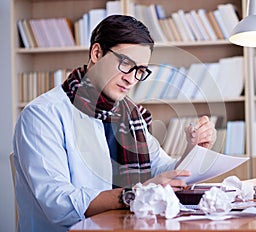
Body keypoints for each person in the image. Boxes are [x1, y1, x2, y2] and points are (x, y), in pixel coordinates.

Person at [13, 15, 216, 232]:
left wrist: (194, 151)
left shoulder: (130, 115)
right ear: (97, 53)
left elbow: (161, 170)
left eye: (140, 71)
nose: (131, 79)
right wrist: (135, 195)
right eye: (126, 64)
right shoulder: (42, 115)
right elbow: (58, 204)